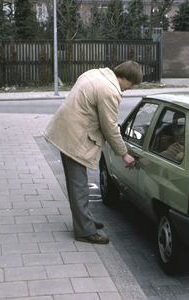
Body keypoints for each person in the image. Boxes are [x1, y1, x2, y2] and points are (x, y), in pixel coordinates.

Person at [43, 61, 143, 244]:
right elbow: (110, 127)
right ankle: (84, 231)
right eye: (132, 83)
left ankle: (84, 220)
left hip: (67, 130)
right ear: (126, 78)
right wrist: (124, 154)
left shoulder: (96, 73)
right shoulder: (110, 91)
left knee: (76, 184)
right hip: (75, 137)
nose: (131, 88)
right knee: (79, 186)